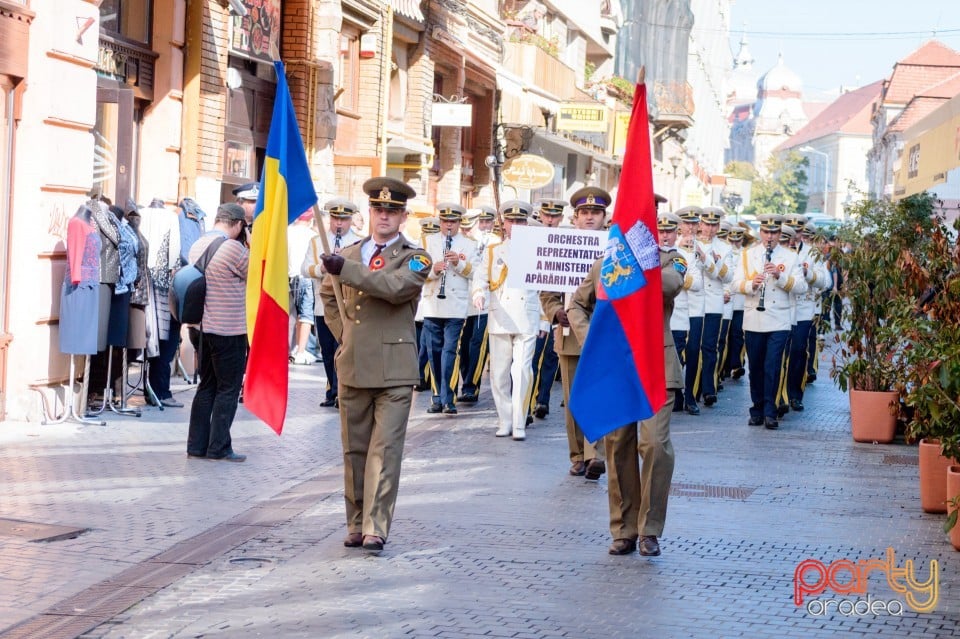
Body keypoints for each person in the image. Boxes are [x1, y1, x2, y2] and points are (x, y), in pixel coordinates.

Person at [319, 177, 430, 554]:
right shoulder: (349, 254)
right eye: (379, 209)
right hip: (353, 363)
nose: (384, 216)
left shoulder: (416, 257)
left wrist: (344, 271)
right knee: (355, 451)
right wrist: (345, 333)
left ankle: (375, 526)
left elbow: (395, 288)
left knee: (385, 451)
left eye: (392, 211)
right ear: (369, 212)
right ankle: (355, 522)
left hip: (395, 369)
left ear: (403, 217)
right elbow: (326, 295)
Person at [567, 228, 684, 557]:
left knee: (655, 445)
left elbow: (672, 286)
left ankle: (650, 528)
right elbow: (577, 304)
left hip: (655, 366)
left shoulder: (669, 261)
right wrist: (592, 338)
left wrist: (638, 267)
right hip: (616, 366)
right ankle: (624, 528)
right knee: (618, 447)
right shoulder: (605, 263)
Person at [540, 188, 609, 478]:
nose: (590, 217)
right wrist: (555, 311)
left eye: (595, 213)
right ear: (576, 217)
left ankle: (597, 455)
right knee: (573, 399)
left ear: (605, 217)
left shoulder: (613, 248)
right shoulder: (560, 246)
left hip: (604, 332)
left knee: (599, 395)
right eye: (585, 213)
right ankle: (578, 454)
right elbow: (547, 292)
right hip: (569, 335)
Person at [471, 200, 542, 441]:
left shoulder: (537, 249)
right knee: (499, 374)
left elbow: (544, 289)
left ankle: (520, 421)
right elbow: (480, 277)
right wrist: (479, 293)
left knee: (521, 370)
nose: (515, 225)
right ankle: (505, 419)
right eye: (511, 220)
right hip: (500, 314)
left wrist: (543, 319)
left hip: (527, 315)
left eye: (520, 220)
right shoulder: (493, 251)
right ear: (504, 223)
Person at [186, 203, 250, 462]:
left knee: (207, 387)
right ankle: (219, 447)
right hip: (229, 329)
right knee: (229, 389)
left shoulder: (199, 244)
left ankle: (196, 445)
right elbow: (256, 273)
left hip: (203, 329)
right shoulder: (233, 248)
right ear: (237, 224)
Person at [731, 214, 808, 430]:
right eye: (766, 232)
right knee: (755, 366)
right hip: (754, 317)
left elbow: (801, 287)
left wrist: (780, 276)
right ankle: (756, 409)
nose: (770, 237)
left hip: (779, 319)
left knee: (772, 366)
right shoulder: (748, 255)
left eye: (774, 233)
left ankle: (770, 411)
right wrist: (750, 285)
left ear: (780, 233)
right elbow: (735, 283)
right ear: (760, 233)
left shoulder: (790, 257)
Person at [302, 199, 361, 407]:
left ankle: (341, 392)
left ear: (350, 220)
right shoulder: (317, 241)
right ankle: (331, 389)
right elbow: (305, 269)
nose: (339, 223)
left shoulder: (359, 242)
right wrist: (322, 269)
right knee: (327, 351)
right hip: (323, 305)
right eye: (336, 218)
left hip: (348, 304)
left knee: (343, 349)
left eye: (344, 219)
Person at [420, 202, 477, 414]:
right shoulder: (427, 241)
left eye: (453, 222)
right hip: (433, 303)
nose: (449, 226)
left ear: (459, 222)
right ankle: (437, 396)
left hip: (456, 306)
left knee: (450, 351)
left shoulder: (469, 244)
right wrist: (433, 270)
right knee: (434, 352)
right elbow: (415, 269)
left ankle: (449, 396)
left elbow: (477, 272)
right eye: (445, 221)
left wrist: (458, 264)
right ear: (440, 222)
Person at [529, 199, 564, 421]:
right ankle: (528, 402)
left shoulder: (565, 242)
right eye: (546, 215)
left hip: (557, 310)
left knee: (552, 358)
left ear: (560, 218)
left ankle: (543, 400)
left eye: (554, 216)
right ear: (540, 216)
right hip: (534, 309)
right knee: (531, 359)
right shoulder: (531, 240)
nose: (550, 220)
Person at [458, 206, 497, 403]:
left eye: (486, 222)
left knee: (478, 344)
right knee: (464, 346)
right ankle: (466, 380)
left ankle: (471, 386)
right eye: (480, 222)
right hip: (464, 301)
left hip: (486, 300)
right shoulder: (464, 243)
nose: (483, 226)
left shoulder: (496, 243)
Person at [675, 206, 705, 414]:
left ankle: (691, 397)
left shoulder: (704, 247)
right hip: (676, 309)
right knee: (675, 354)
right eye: (687, 223)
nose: (691, 228)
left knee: (694, 354)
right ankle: (676, 395)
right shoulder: (672, 248)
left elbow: (700, 281)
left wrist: (700, 255)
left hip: (696, 309)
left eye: (694, 224)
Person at [288, 212, 318, 365]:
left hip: (290, 276)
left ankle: (287, 349)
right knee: (306, 316)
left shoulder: (288, 232)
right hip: (306, 277)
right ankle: (300, 351)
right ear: (311, 219)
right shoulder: (312, 236)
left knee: (290, 315)